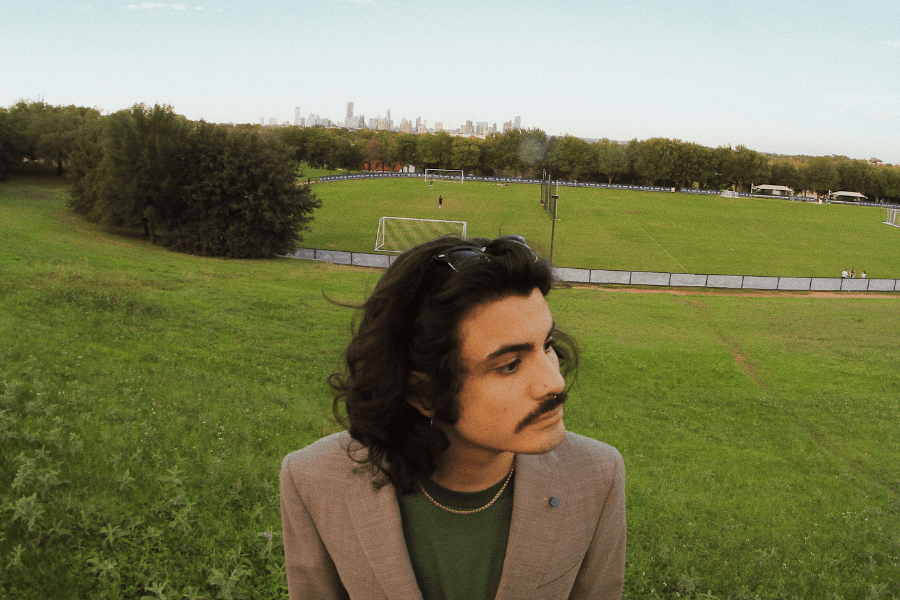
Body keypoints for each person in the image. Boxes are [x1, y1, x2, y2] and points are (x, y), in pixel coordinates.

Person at [280, 235, 626, 600]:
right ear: (422, 393)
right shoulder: (312, 481)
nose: (554, 382)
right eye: (510, 365)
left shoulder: (597, 477)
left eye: (547, 345)